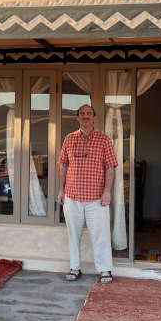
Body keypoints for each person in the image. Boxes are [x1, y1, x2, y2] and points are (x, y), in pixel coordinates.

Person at [58, 104, 117, 284]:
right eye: (82, 114)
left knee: (101, 234)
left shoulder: (104, 140)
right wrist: (61, 190)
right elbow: (63, 166)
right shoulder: (69, 139)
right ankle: (75, 267)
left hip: (97, 199)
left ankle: (105, 269)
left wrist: (107, 191)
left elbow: (110, 168)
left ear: (94, 117)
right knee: (73, 234)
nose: (85, 116)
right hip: (72, 196)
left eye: (88, 114)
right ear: (77, 118)